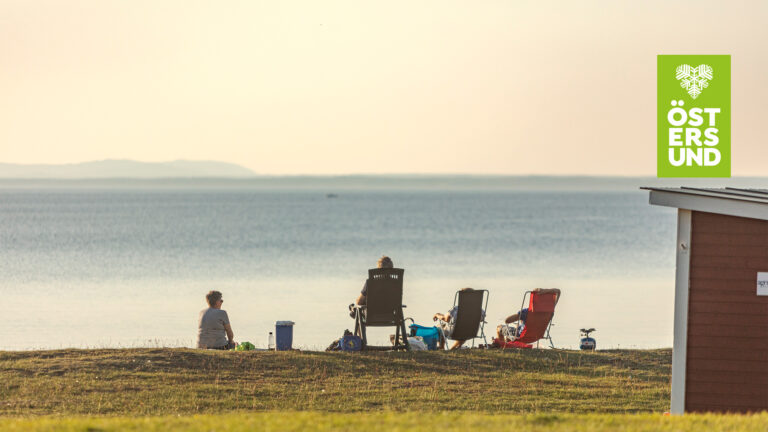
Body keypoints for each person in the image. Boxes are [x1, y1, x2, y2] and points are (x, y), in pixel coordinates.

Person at [496, 288, 561, 342]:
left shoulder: (527, 312)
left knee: (499, 328)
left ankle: (502, 346)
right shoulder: (549, 311)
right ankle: (509, 342)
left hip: (522, 336)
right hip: (537, 337)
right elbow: (558, 291)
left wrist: (519, 315)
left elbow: (507, 321)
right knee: (517, 327)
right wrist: (544, 291)